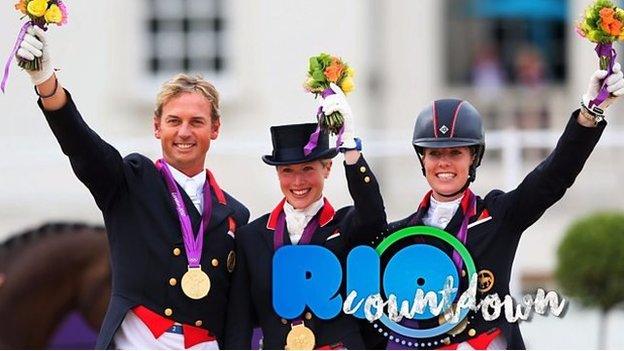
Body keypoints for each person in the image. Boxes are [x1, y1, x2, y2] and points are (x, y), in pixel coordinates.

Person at [17, 25, 250, 349]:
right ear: (157, 127)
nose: (184, 131)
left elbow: (236, 311)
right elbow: (83, 146)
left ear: (215, 129)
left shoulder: (234, 214)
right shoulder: (130, 182)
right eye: (174, 121)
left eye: (196, 122)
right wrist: (46, 84)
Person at [374, 64, 624, 349]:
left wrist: (589, 113)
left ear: (473, 158)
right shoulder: (399, 237)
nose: (444, 163)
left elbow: (553, 177)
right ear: (423, 160)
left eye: (455, 152)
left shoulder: (498, 216)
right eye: (434, 153)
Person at [223, 84, 386, 349]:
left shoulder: (345, 226)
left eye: (308, 168)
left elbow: (374, 215)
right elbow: (239, 320)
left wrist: (350, 149)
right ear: (278, 174)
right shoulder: (251, 236)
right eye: (287, 170)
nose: (298, 181)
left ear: (327, 168)